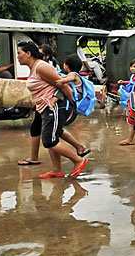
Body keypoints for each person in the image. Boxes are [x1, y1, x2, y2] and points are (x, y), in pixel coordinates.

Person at [18, 41, 88, 178]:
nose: (18, 57)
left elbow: (63, 85)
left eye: (19, 53)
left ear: (28, 53)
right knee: (53, 136)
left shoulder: (41, 67)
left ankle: (78, 160)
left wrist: (71, 102)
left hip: (55, 106)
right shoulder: (35, 68)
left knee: (49, 140)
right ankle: (57, 170)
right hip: (45, 108)